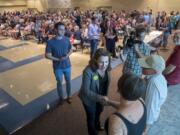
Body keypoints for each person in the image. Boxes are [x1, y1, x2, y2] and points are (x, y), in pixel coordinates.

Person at [79, 48, 111, 135]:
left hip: (101, 98)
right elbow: (85, 91)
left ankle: (97, 125)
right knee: (91, 117)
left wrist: (102, 98)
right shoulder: (88, 71)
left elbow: (105, 84)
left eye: (106, 62)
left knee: (99, 112)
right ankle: (92, 133)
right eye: (101, 62)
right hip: (89, 99)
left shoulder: (107, 69)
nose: (104, 65)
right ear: (95, 60)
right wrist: (100, 97)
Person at [45, 22, 73, 104]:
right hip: (57, 67)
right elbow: (47, 55)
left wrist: (67, 56)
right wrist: (57, 59)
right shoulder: (50, 42)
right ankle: (61, 97)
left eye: (64, 29)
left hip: (67, 65)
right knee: (59, 82)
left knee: (68, 81)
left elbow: (71, 50)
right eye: (61, 29)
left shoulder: (67, 39)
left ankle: (69, 95)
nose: (63, 31)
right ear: (56, 30)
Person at [138, 55, 167, 132]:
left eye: (145, 67)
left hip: (145, 117)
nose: (142, 67)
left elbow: (150, 109)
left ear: (154, 71)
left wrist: (145, 129)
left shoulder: (153, 84)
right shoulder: (158, 76)